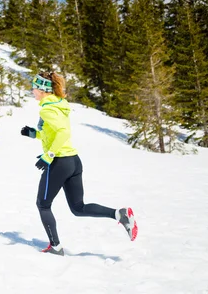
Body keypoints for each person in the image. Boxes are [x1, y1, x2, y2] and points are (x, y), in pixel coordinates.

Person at [20, 71, 138, 256]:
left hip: (59, 162)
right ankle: (119, 214)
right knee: (78, 208)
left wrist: (48, 156)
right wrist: (35, 134)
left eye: (34, 87)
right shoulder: (58, 105)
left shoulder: (47, 109)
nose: (32, 90)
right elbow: (55, 133)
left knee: (43, 205)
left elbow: (62, 133)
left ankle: (56, 247)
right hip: (73, 161)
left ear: (43, 90)